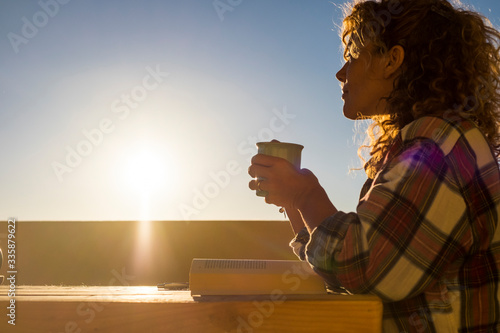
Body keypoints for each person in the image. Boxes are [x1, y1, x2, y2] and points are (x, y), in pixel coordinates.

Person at [248, 0, 500, 331]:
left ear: (392, 60)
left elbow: (368, 267)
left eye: (352, 57)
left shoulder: (436, 148)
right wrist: (293, 205)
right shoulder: (433, 141)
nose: (341, 73)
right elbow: (346, 270)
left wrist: (306, 195)